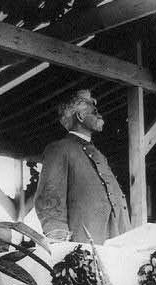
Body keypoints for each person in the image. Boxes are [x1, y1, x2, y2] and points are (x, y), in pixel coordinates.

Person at [34, 89, 130, 244]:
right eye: (95, 111)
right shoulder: (60, 149)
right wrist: (62, 246)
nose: (100, 115)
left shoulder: (99, 156)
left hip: (116, 249)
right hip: (84, 252)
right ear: (80, 116)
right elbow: (49, 198)